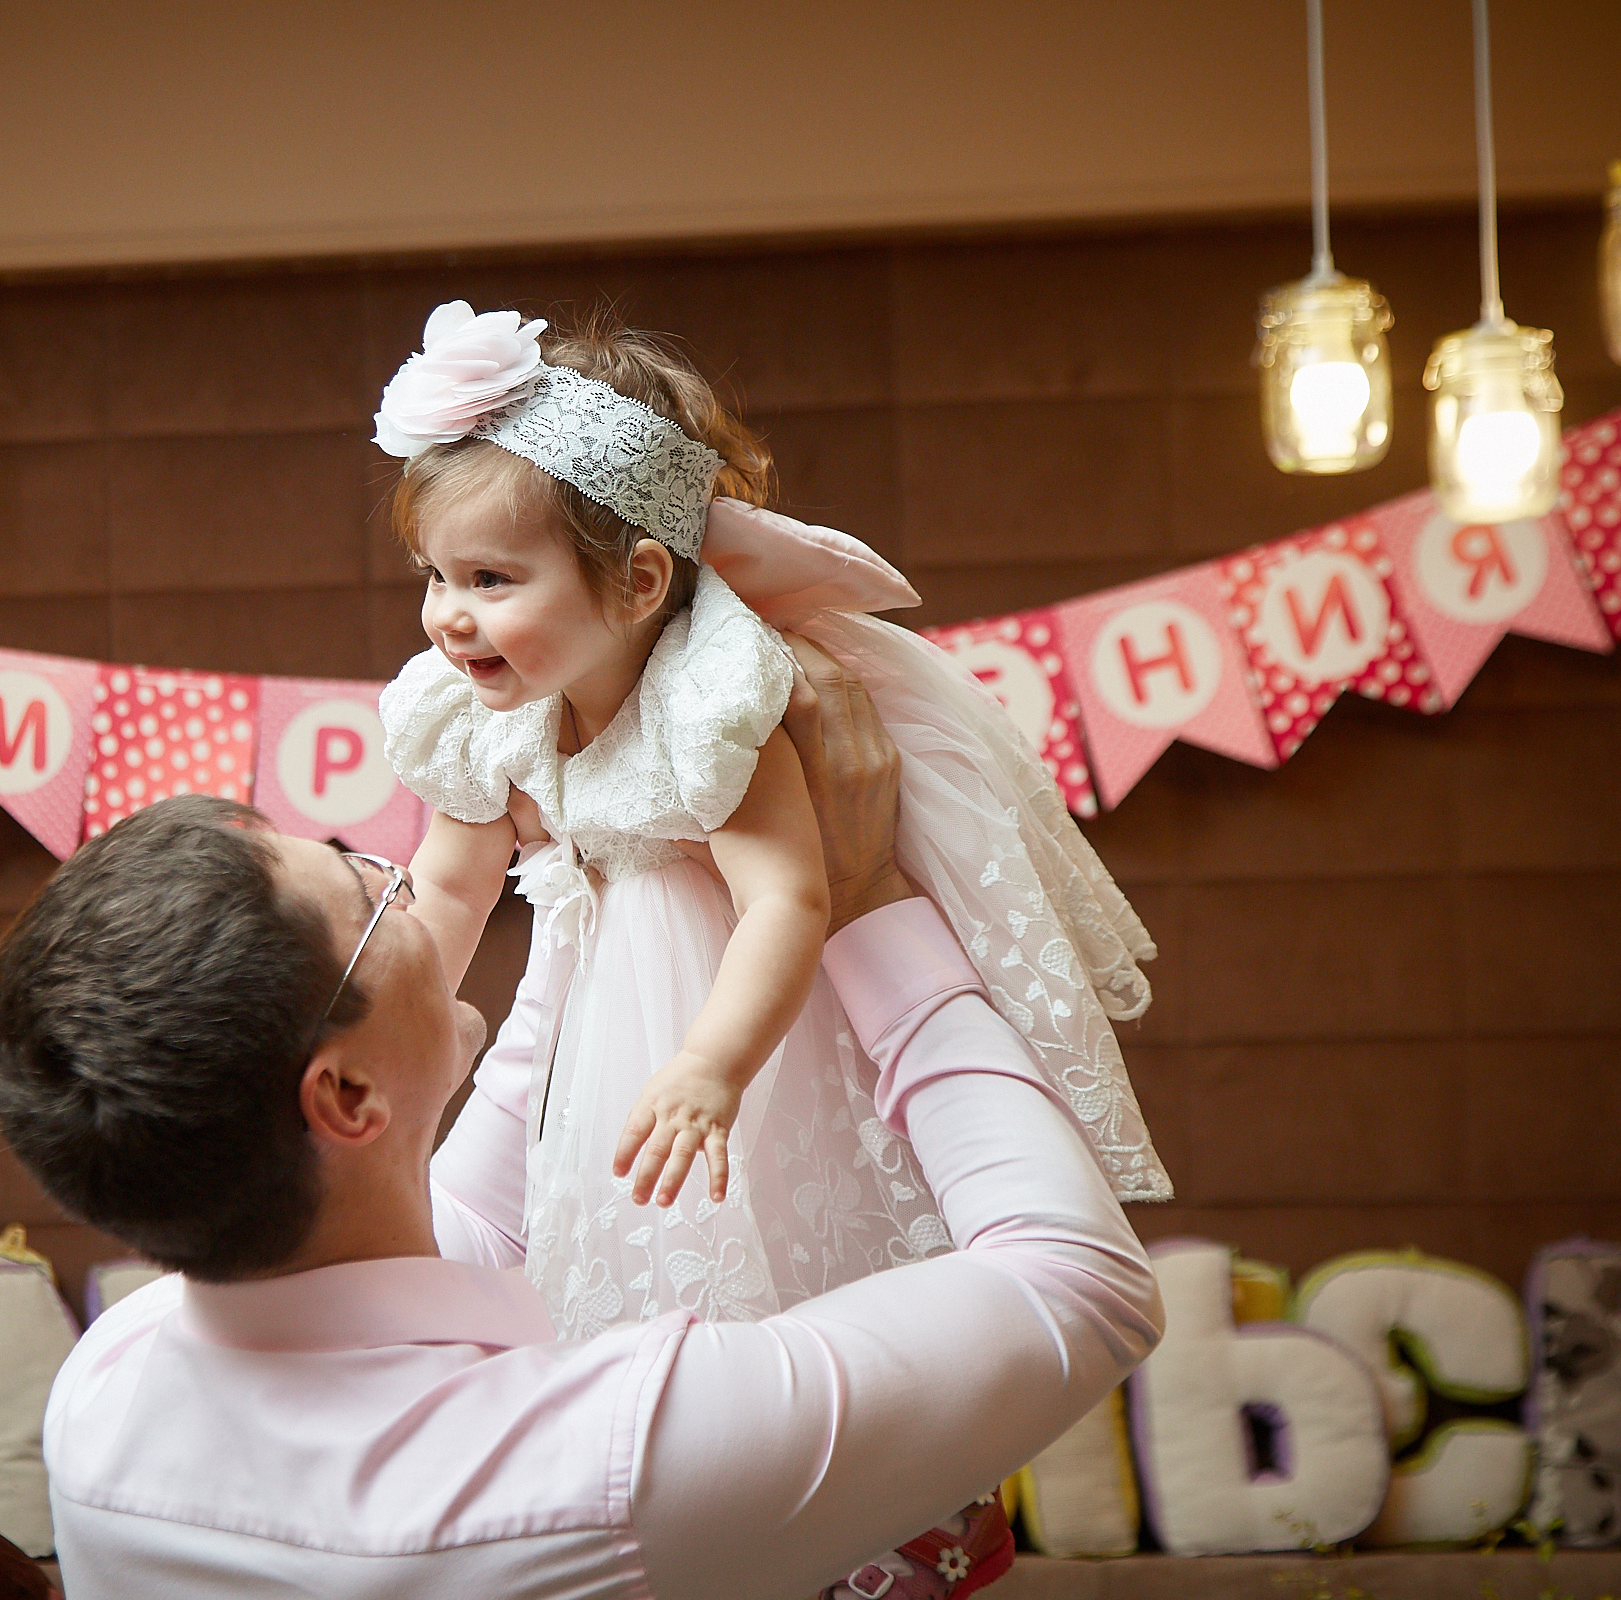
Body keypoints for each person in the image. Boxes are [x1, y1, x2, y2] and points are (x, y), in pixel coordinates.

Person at [0, 645, 1164, 1600]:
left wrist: (585, 882)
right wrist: (863, 905)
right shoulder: (600, 1469)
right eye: (366, 889)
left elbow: (480, 1206)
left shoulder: (108, 1393)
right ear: (343, 1097)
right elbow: (1078, 1285)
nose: (406, 882)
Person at [372, 301, 1170, 1352]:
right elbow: (451, 885)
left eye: (492, 579)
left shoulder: (707, 706)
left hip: (750, 1014)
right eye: (438, 575)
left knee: (775, 1241)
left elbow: (792, 896)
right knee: (621, 1255)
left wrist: (715, 1063)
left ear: (639, 582)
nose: (449, 614)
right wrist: (387, 1029)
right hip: (596, 1007)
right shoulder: (494, 713)